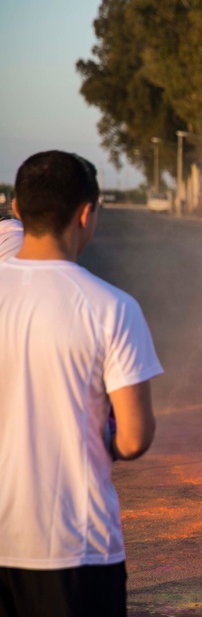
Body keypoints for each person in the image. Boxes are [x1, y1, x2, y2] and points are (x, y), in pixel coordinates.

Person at [0, 151, 161, 616]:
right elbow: (133, 438)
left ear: (16, 207)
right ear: (86, 213)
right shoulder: (112, 307)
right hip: (76, 547)